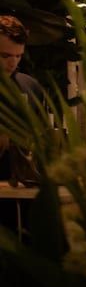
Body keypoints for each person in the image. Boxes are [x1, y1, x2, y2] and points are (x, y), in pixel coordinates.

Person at [0, 14, 46, 185]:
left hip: (24, 190)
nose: (13, 63)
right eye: (5, 56)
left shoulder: (30, 86)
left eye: (18, 56)